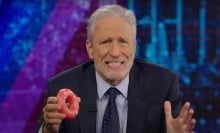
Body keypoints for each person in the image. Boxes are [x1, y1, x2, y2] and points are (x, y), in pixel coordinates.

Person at [35, 4, 196, 133]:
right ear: (90, 48)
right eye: (106, 42)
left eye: (123, 41)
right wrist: (49, 131)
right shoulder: (61, 86)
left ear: (134, 47)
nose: (115, 52)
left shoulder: (164, 85)